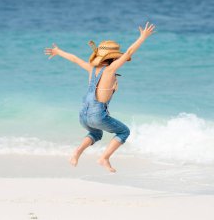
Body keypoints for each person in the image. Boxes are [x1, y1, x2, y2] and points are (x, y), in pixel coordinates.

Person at [44, 22, 156, 172]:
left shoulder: (91, 69)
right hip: (97, 115)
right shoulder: (110, 70)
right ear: (113, 58)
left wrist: (58, 51)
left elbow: (75, 59)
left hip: (83, 115)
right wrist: (142, 37)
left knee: (96, 133)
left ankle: (77, 152)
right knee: (124, 132)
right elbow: (129, 53)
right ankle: (104, 157)